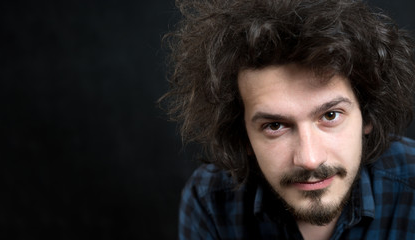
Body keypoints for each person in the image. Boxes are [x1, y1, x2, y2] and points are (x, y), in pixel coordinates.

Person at [161, 0, 415, 239]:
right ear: (243, 136)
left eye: (330, 115)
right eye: (275, 126)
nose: (309, 159)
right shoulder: (209, 200)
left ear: (367, 115)